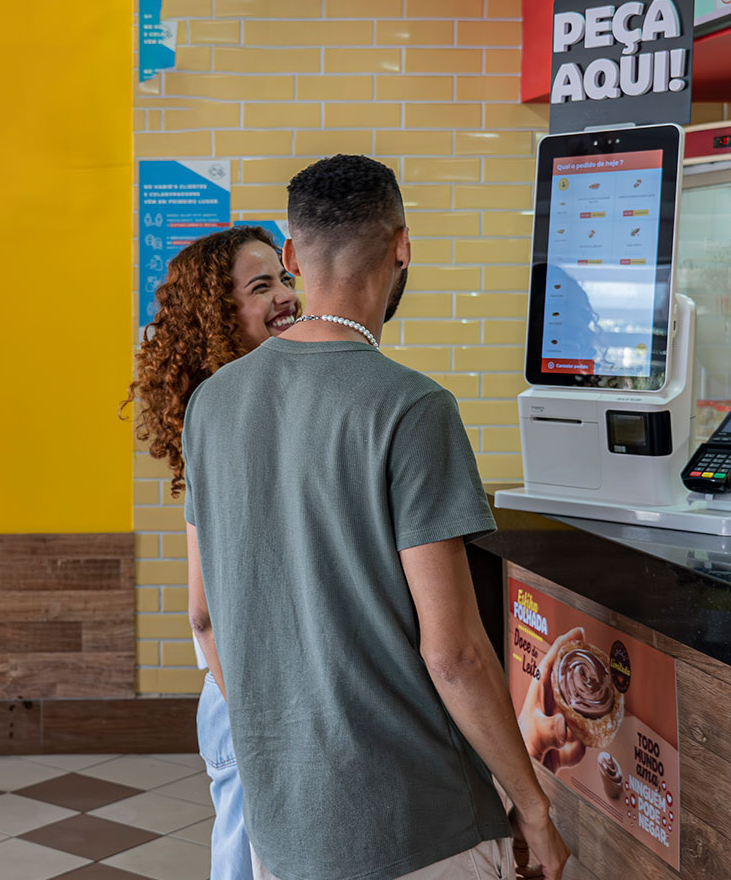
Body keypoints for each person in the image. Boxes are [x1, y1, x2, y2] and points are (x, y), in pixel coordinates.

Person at [182, 155, 570, 880]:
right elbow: (453, 654)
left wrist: (280, 752)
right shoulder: (414, 407)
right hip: (417, 822)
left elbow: (205, 618)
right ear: (402, 247)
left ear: (292, 256)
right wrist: (533, 806)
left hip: (282, 825)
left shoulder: (212, 403)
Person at [126, 225, 299, 880]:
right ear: (220, 315)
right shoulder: (229, 416)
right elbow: (204, 613)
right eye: (262, 286)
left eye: (285, 278)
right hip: (249, 692)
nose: (286, 295)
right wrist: (258, 718)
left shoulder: (249, 403)